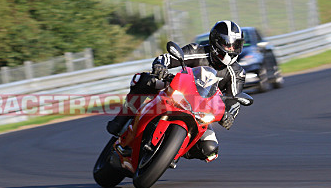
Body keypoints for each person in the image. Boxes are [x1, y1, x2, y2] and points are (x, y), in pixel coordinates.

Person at [106, 20, 253, 162]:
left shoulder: (237, 73)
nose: (231, 49)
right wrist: (160, 67)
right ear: (215, 41)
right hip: (177, 92)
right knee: (145, 80)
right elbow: (167, 58)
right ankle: (122, 119)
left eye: (235, 45)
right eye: (227, 45)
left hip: (201, 112)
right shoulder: (198, 51)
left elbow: (234, 99)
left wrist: (229, 115)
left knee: (210, 149)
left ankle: (172, 152)